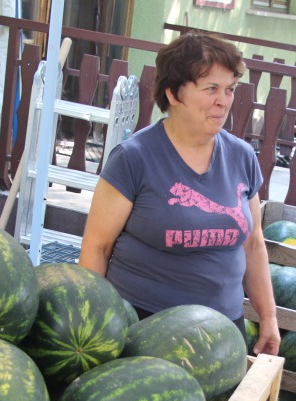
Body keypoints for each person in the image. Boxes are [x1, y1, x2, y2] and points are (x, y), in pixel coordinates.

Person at [78, 31, 280, 356]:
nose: (223, 100)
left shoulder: (242, 157)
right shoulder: (134, 158)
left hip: (224, 335)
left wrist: (268, 316)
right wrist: (90, 327)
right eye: (211, 88)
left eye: (229, 90)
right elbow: (97, 248)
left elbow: (254, 244)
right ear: (173, 93)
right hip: (143, 332)